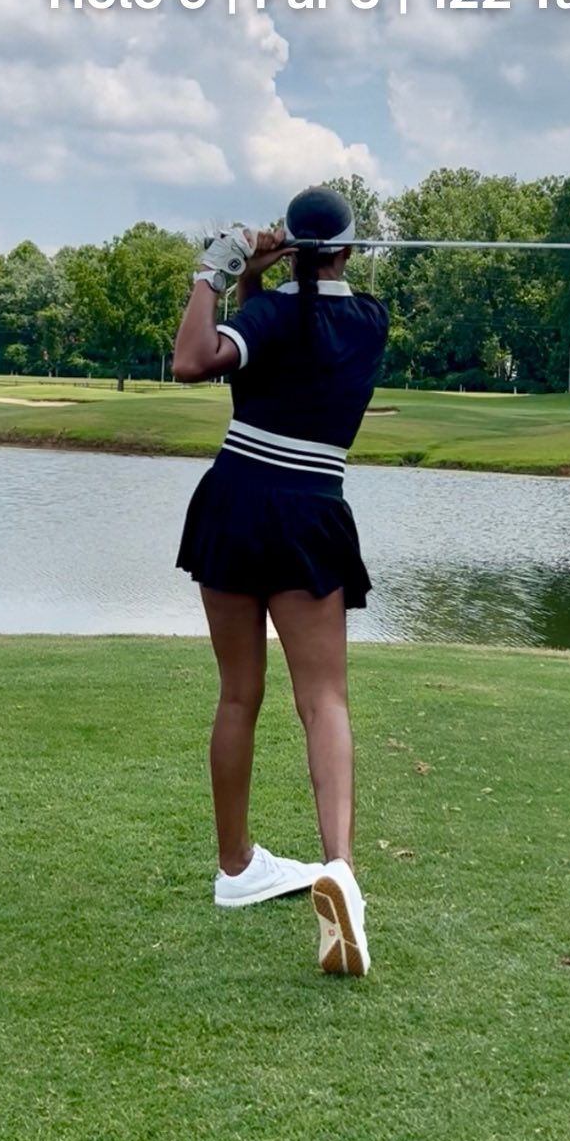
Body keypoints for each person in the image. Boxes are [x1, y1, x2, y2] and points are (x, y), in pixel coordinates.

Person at [172, 186, 389, 977]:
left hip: (234, 499)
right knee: (323, 698)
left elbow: (196, 360)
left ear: (289, 248)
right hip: (308, 511)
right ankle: (339, 868)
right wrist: (260, 282)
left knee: (239, 696)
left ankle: (235, 869)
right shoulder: (370, 322)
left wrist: (218, 272)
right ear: (348, 252)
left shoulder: (263, 317)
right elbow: (248, 364)